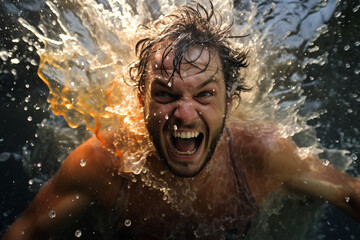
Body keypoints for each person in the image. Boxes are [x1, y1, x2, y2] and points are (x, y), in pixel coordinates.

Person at [2, 1, 360, 239]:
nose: (185, 114)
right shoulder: (102, 164)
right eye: (165, 94)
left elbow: (348, 192)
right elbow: (28, 231)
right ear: (140, 103)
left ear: (230, 104)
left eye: (204, 94)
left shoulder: (262, 154)